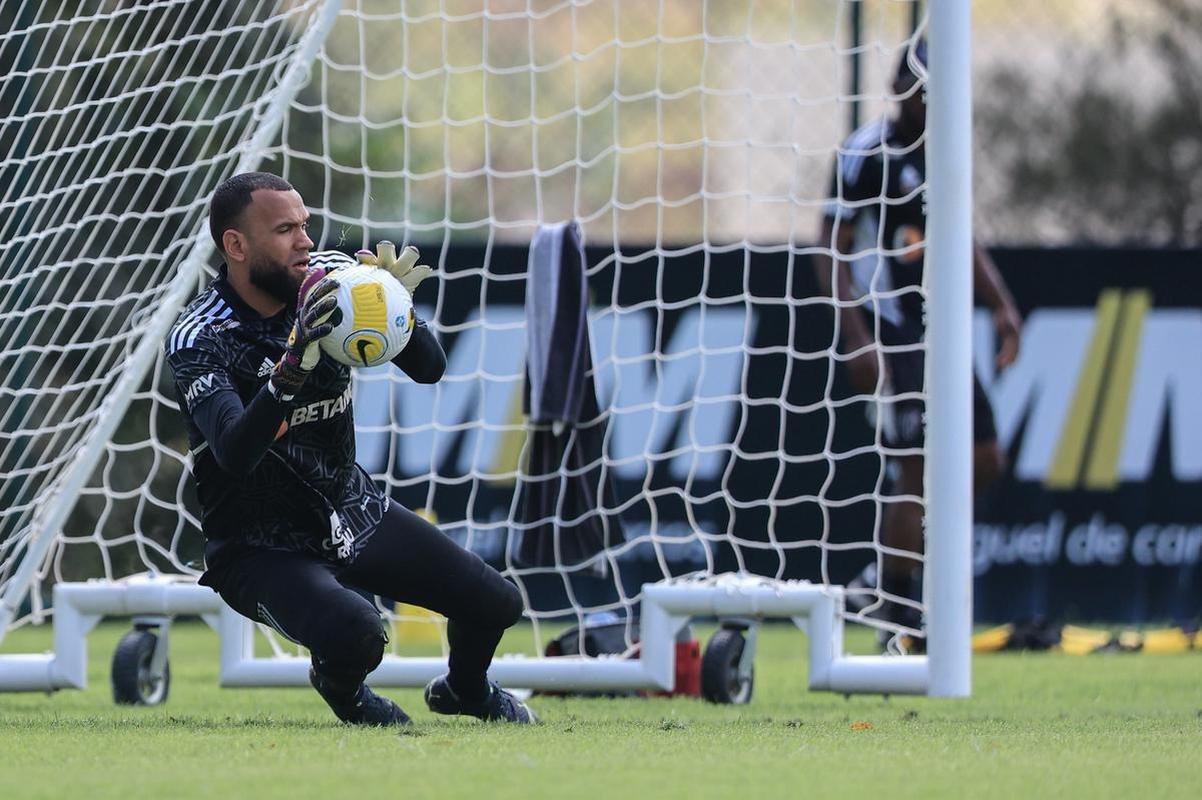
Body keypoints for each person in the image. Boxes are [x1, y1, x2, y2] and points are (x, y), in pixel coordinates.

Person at [165, 172, 535, 725]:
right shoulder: (201, 335)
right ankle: (345, 691)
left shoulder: (332, 284)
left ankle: (467, 689)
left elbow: (430, 370)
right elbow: (236, 452)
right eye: (285, 229)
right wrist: (292, 367)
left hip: (352, 510)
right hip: (259, 546)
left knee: (496, 603)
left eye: (305, 226)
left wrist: (397, 309)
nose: (305, 243)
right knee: (360, 632)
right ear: (236, 246)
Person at [813, 41, 1023, 649]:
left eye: (936, 91)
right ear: (897, 84)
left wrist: (1003, 308)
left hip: (945, 331)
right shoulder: (866, 152)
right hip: (894, 328)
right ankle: (897, 614)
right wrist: (857, 337)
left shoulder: (945, 150)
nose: (926, 100)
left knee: (984, 459)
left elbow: (961, 238)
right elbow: (830, 244)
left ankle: (885, 578)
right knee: (918, 467)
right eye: (918, 88)